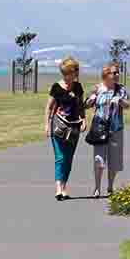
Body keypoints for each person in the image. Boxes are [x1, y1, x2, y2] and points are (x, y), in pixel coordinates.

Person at [45, 56, 86, 200]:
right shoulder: (56, 87)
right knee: (60, 157)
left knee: (69, 158)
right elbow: (49, 108)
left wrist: (84, 119)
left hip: (74, 127)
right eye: (72, 71)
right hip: (58, 126)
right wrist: (46, 125)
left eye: (75, 71)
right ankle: (58, 188)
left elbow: (80, 105)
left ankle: (64, 186)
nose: (75, 74)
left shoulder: (78, 87)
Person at [88, 62, 130, 198]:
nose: (117, 75)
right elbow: (86, 104)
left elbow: (128, 105)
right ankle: (97, 187)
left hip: (115, 129)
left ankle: (110, 186)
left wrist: (120, 101)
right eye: (114, 73)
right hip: (100, 129)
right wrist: (91, 100)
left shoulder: (121, 89)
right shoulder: (97, 88)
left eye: (118, 72)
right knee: (98, 160)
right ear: (106, 75)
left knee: (114, 161)